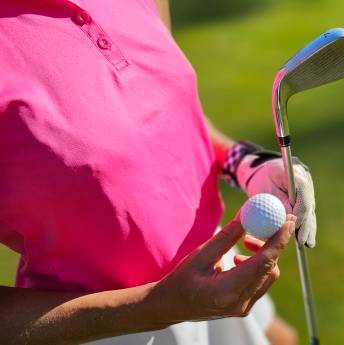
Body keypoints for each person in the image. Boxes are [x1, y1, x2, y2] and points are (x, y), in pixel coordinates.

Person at [0, 0, 318, 344]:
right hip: (103, 328)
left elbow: (163, 113)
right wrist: (157, 307)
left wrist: (245, 163)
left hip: (213, 274)